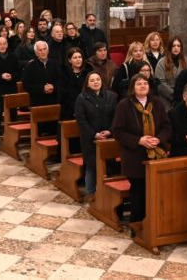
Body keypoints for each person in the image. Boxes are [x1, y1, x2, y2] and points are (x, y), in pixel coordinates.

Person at [112, 74, 171, 224]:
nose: (143, 86)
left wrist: (159, 139)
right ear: (133, 87)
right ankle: (137, 225)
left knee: (155, 191)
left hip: (156, 153)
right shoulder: (124, 105)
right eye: (139, 84)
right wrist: (139, 140)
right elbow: (118, 132)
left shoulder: (157, 103)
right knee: (138, 191)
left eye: (145, 83)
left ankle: (154, 222)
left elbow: (166, 126)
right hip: (134, 156)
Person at [74, 72, 117, 200]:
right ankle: (91, 192)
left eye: (98, 79)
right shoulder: (82, 98)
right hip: (90, 138)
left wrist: (110, 131)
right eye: (92, 80)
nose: (96, 82)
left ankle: (108, 192)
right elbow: (81, 121)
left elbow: (116, 117)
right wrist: (94, 134)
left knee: (110, 164)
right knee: (92, 167)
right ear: (87, 84)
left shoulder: (111, 96)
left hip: (108, 137)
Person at [22, 41, 62, 107]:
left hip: (54, 100)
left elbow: (61, 81)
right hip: (38, 101)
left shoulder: (55, 64)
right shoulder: (30, 66)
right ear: (36, 53)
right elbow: (26, 85)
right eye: (40, 50)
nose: (43, 52)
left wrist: (53, 86)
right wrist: (42, 88)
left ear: (48, 51)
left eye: (44, 49)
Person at [154, 36, 187, 106]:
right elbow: (160, 83)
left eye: (178, 46)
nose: (176, 48)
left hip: (184, 95)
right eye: (173, 46)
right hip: (167, 96)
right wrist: (175, 95)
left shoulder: (186, 60)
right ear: (170, 47)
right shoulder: (162, 62)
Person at [59, 47, 92, 120]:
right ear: (69, 60)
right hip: (69, 110)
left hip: (87, 108)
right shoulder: (64, 74)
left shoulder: (88, 72)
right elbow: (63, 95)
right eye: (75, 58)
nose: (78, 60)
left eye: (80, 57)